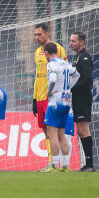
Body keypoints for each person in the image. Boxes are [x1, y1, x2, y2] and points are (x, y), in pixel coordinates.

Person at [32, 23, 66, 165]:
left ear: (47, 34)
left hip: (52, 96)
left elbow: (65, 72)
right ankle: (51, 161)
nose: (37, 37)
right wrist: (34, 98)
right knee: (46, 131)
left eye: (39, 34)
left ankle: (61, 162)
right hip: (40, 97)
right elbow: (37, 76)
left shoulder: (58, 49)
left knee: (56, 131)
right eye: (35, 35)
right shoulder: (37, 52)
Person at [43, 42, 79, 171]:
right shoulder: (66, 64)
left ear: (46, 53)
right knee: (61, 134)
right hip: (66, 101)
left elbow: (52, 79)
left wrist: (49, 92)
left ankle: (53, 165)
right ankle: (65, 165)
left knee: (51, 133)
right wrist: (68, 88)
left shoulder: (51, 64)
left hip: (55, 101)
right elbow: (77, 75)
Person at [68, 31, 96, 171]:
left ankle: (90, 164)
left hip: (83, 97)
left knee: (84, 130)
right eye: (70, 40)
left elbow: (87, 79)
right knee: (80, 130)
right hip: (78, 97)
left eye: (73, 41)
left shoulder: (84, 57)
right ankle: (88, 164)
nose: (70, 43)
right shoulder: (78, 57)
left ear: (82, 42)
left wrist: (72, 89)